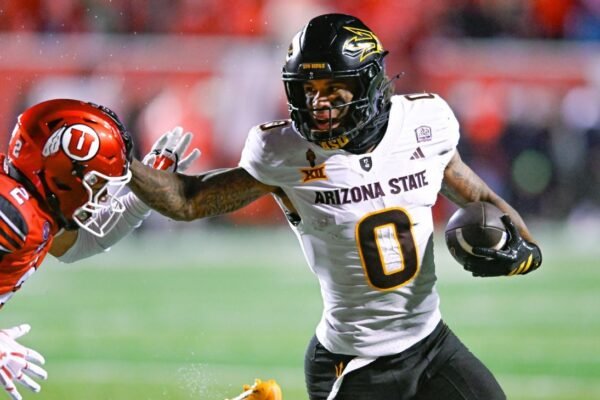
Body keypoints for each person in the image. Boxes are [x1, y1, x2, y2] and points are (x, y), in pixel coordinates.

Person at [129, 13, 543, 400]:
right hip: (353, 360)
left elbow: (480, 197)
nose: (317, 105)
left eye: (332, 90)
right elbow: (188, 200)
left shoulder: (424, 123)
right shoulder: (284, 151)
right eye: (308, 91)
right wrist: (123, 165)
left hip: (431, 342)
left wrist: (525, 248)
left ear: (367, 83)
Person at [0, 99, 199, 400]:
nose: (103, 197)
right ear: (63, 174)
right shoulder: (12, 214)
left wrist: (144, 198)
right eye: (98, 183)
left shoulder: (33, 210)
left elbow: (81, 244)